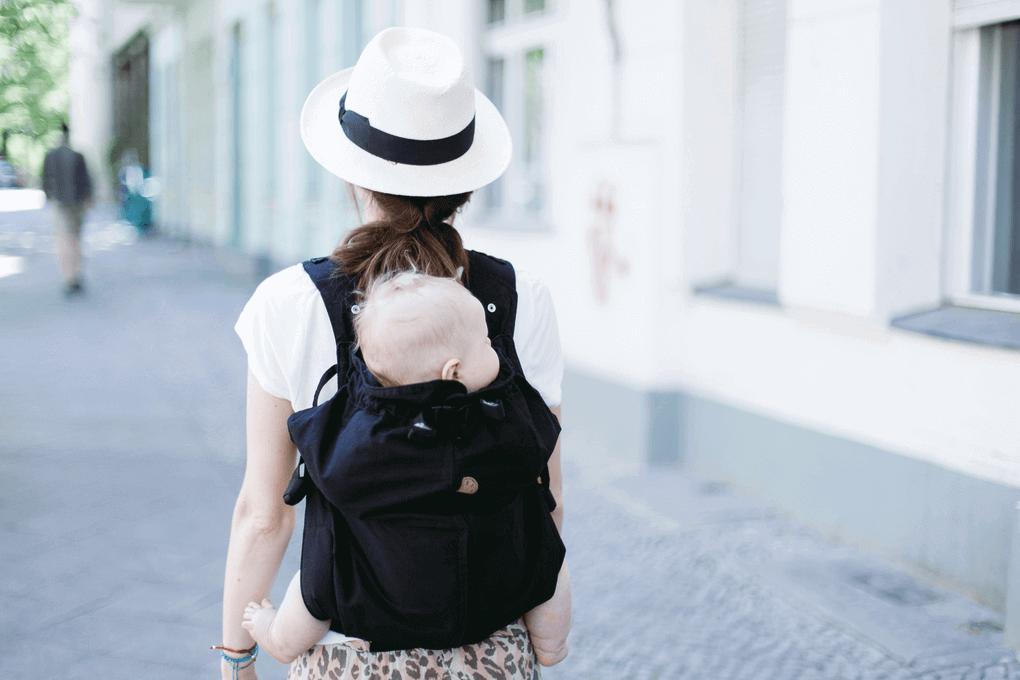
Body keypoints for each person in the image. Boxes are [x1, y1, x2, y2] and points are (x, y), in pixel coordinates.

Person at [222, 27, 568, 680]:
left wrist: (238, 653)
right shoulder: (523, 298)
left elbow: (264, 514)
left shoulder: (289, 303)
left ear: (352, 167)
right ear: (463, 178)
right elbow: (543, 492)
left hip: (347, 656)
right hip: (491, 651)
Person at [238, 271, 571, 667]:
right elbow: (544, 471)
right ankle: (552, 646)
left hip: (375, 603)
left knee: (313, 587)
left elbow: (312, 483)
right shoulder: (509, 423)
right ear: (454, 372)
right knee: (551, 564)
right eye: (486, 342)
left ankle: (280, 639)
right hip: (493, 596)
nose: (495, 350)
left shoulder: (359, 441)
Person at [42, 122, 94, 296]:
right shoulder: (78, 155)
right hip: (77, 204)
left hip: (61, 203)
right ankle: (76, 275)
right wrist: (88, 200)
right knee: (75, 240)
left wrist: (49, 198)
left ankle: (68, 278)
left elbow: (45, 181)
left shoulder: (51, 156)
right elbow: (86, 180)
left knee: (64, 240)